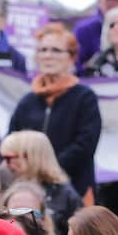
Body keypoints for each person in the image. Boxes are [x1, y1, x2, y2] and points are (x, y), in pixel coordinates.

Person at [10, 23, 101, 202]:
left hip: (75, 190)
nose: (48, 56)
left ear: (71, 58)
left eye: (56, 50)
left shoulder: (84, 98)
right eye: (43, 50)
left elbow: (84, 145)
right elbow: (12, 141)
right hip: (30, 192)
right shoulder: (27, 101)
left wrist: (47, 170)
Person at [0, 130, 82, 235]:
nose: (3, 165)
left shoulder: (66, 197)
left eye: (8, 158)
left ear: (29, 157)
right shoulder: (4, 188)